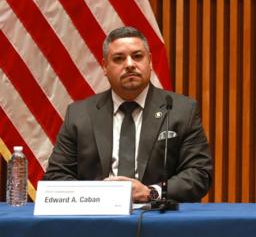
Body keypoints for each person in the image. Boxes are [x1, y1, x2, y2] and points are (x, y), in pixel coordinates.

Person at [44, 26, 212, 203]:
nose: (130, 64)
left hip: (159, 220)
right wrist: (98, 196)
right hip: (97, 220)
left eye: (138, 56)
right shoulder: (79, 115)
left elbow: (199, 173)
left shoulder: (181, 110)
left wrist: (151, 193)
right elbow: (56, 176)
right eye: (119, 59)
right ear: (105, 67)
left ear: (150, 62)